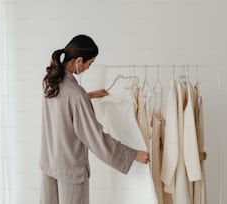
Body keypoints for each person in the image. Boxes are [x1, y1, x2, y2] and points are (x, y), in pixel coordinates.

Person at [39, 34, 150, 204]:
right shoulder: (77, 95)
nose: (88, 69)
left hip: (50, 165)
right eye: (89, 64)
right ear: (78, 61)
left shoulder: (50, 82)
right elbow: (96, 139)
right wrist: (133, 155)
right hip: (71, 173)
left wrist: (89, 95)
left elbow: (63, 106)